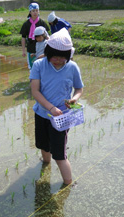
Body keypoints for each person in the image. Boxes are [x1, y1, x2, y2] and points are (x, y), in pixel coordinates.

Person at [30, 28, 84, 185]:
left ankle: (68, 183)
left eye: (62, 57)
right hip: (41, 114)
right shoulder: (39, 65)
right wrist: (51, 108)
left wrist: (74, 98)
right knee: (43, 145)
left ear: (68, 55)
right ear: (48, 52)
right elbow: (35, 91)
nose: (58, 60)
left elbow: (79, 88)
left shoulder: (72, 67)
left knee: (60, 154)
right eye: (54, 56)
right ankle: (45, 165)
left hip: (61, 118)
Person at [20, 2, 50, 69]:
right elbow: (23, 38)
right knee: (32, 66)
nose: (35, 12)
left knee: (42, 66)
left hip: (41, 49)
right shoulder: (26, 24)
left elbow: (47, 36)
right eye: (33, 11)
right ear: (30, 12)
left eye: (37, 10)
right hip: (31, 48)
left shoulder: (42, 23)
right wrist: (23, 51)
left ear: (39, 11)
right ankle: (33, 79)